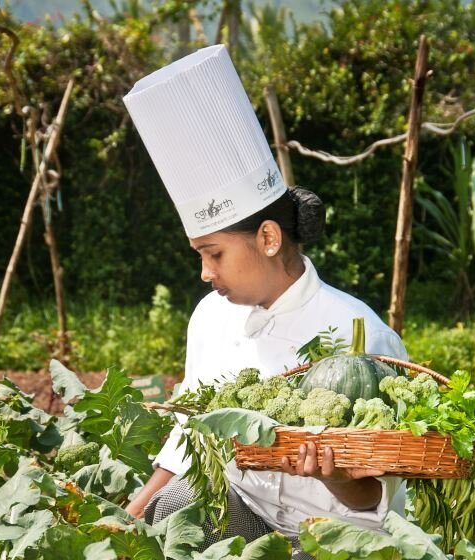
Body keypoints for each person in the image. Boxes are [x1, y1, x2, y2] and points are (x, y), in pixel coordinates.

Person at [121, 45, 408, 555]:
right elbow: (189, 432)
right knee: (173, 506)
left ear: (269, 239)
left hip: (339, 539)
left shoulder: (360, 336)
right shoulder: (209, 317)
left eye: (214, 254)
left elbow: (379, 498)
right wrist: (134, 511)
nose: (206, 274)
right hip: (249, 513)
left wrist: (337, 478)